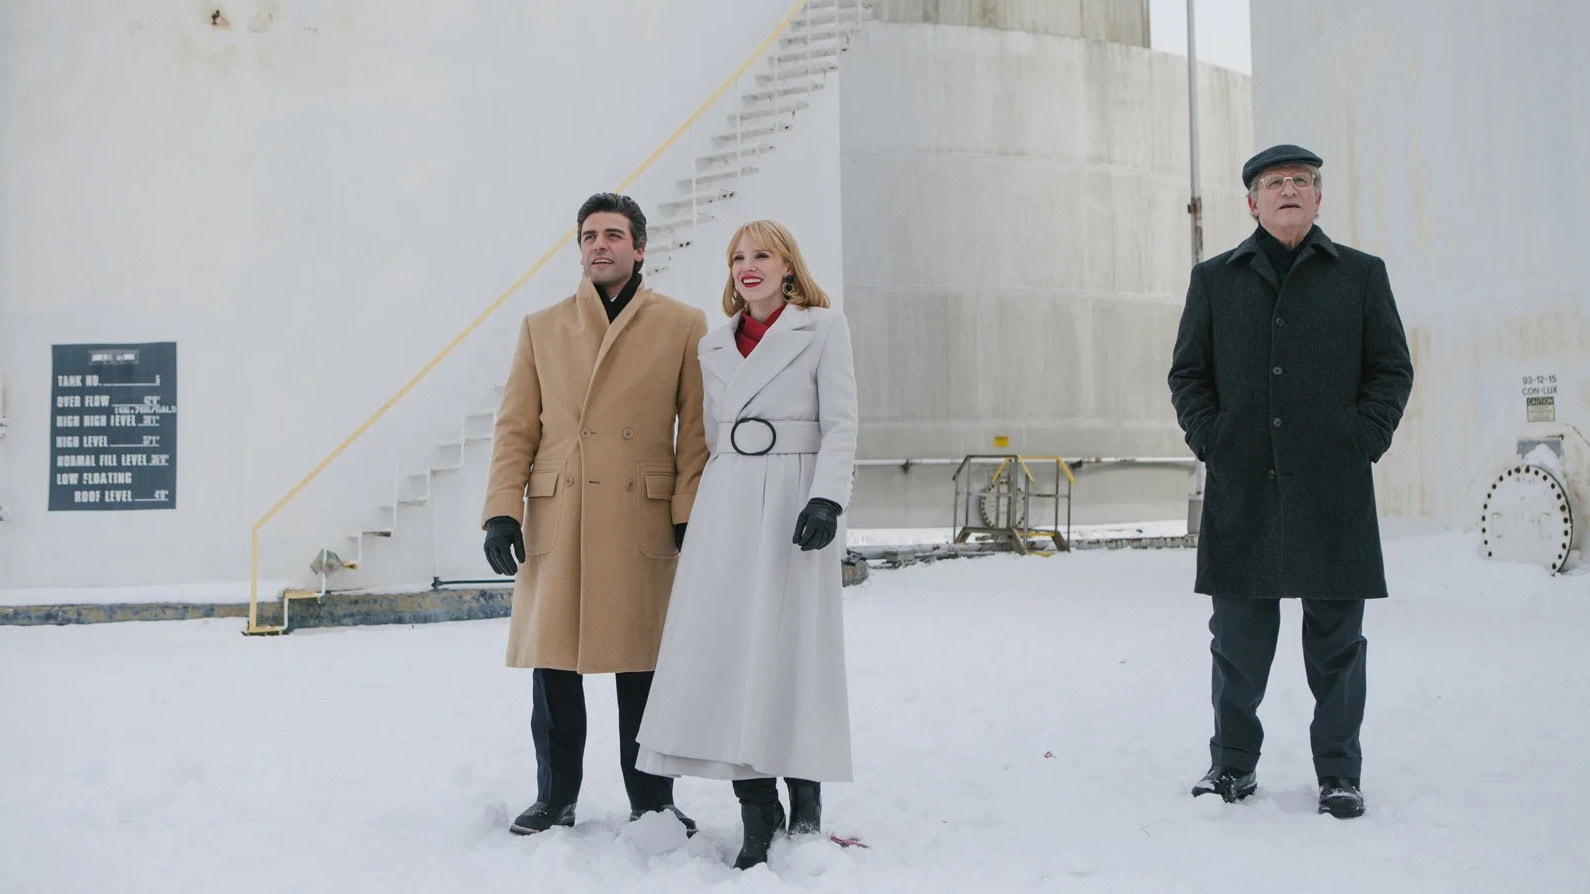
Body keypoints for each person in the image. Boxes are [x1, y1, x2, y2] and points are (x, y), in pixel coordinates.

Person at [1167, 144, 1414, 820]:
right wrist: (1214, 440)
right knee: (1239, 645)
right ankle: (1232, 766)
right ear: (1252, 201)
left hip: (1333, 490)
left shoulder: (1361, 276)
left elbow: (1391, 370)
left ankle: (1339, 773)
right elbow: (1188, 374)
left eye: (1302, 181)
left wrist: (1362, 439)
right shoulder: (1216, 280)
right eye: (1274, 183)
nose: (1289, 190)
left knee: (1338, 647)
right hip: (1243, 487)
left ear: (1318, 196)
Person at [480, 192, 709, 836]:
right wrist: (502, 511)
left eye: (613, 234)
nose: (599, 245)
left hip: (642, 514)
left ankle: (653, 801)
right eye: (589, 236)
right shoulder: (540, 326)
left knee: (644, 667)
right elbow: (516, 429)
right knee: (554, 668)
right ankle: (555, 798)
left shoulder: (683, 323)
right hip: (562, 513)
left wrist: (688, 511)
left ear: (640, 248)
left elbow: (695, 433)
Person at [635, 220, 858, 869]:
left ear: (789, 265)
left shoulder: (823, 327)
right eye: (738, 257)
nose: (747, 266)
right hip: (728, 504)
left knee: (795, 649)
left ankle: (806, 792)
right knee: (730, 653)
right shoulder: (714, 345)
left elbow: (843, 423)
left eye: (762, 254)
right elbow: (708, 435)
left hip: (795, 498)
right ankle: (757, 808)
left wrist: (826, 497)